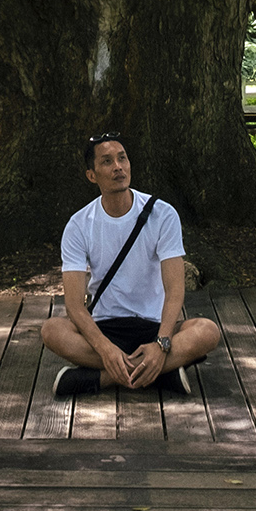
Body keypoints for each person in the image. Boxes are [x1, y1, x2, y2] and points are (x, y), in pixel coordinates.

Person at [43, 133, 223, 395]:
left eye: (122, 158)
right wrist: (105, 348)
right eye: (106, 161)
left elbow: (174, 292)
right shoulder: (79, 225)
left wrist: (162, 343)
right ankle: (160, 375)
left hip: (153, 326)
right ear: (92, 175)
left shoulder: (162, 214)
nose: (118, 167)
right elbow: (74, 305)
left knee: (207, 331)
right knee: (51, 330)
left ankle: (101, 379)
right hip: (105, 327)